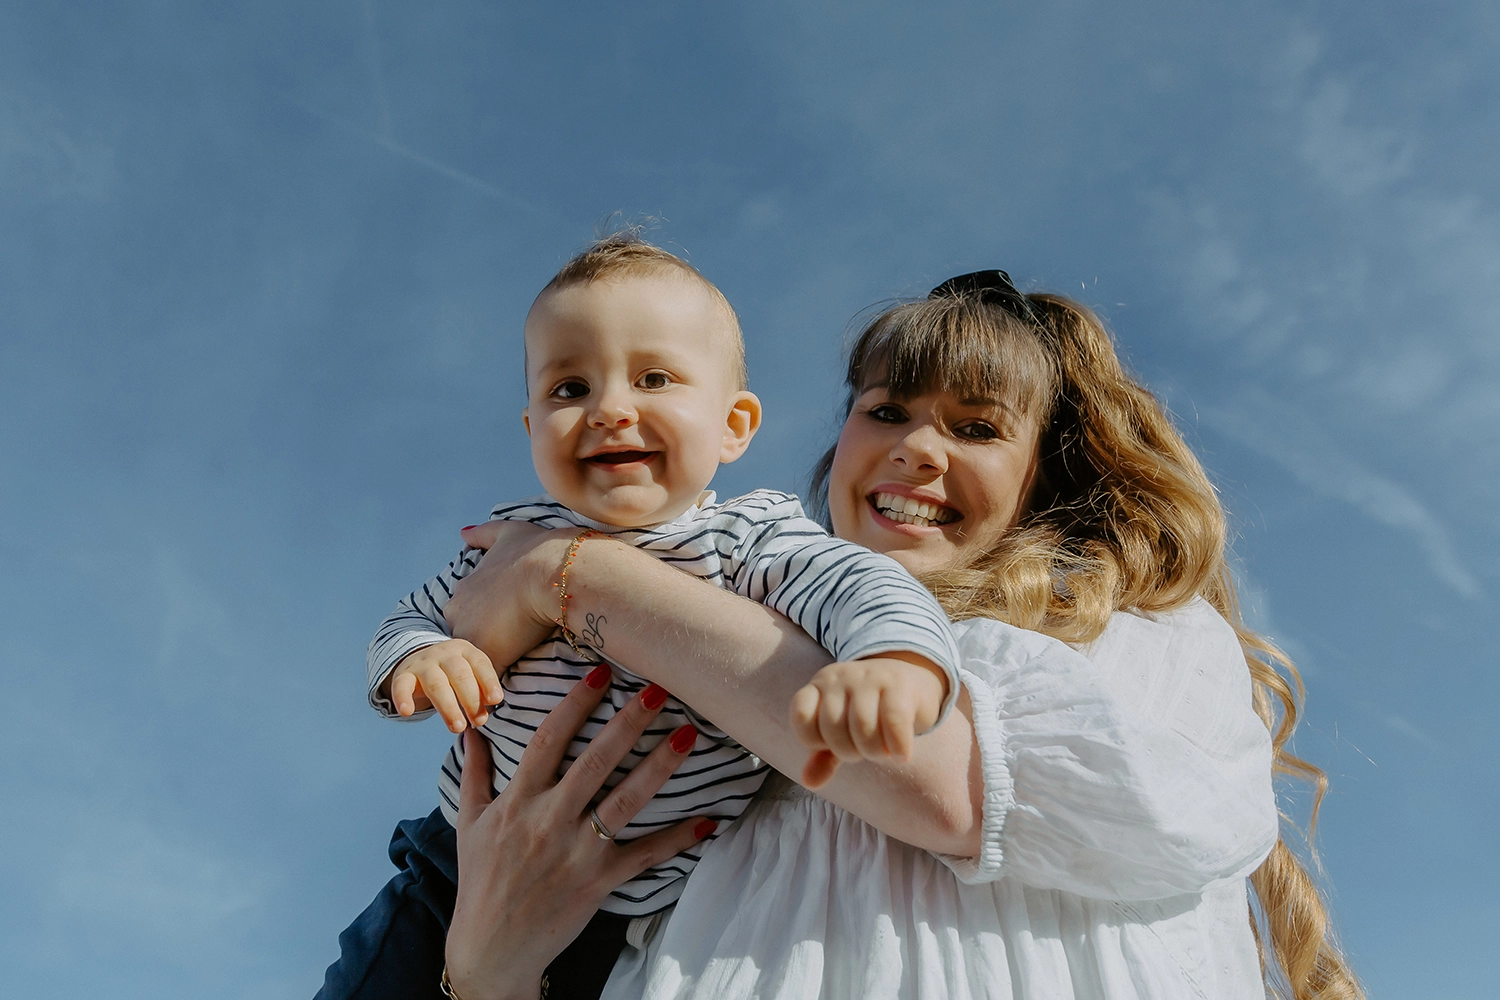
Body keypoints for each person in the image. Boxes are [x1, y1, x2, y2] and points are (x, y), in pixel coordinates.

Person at [435, 270, 1363, 1000]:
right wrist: (489, 975)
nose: (917, 447)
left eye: (978, 427)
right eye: (885, 412)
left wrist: (571, 573)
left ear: (1046, 475)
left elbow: (943, 787)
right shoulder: (725, 710)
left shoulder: (1125, 632)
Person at [318, 235, 969, 999]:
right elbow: (412, 620)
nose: (610, 410)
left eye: (654, 378)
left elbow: (859, 587)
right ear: (531, 430)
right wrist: (419, 661)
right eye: (569, 389)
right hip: (453, 868)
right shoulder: (513, 540)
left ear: (734, 425)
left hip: (640, 925)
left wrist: (897, 665)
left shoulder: (750, 541)